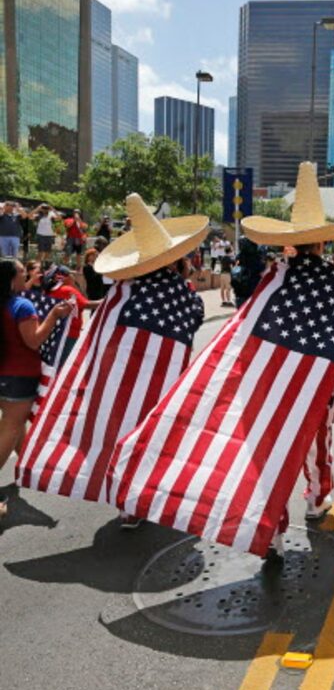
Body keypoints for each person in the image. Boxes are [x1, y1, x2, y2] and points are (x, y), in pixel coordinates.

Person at [108, 163, 334, 561]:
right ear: (325, 244)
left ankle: (274, 533)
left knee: (271, 449)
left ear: (290, 244)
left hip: (269, 379)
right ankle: (317, 500)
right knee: (315, 441)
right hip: (318, 379)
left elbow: (245, 326)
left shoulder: (275, 277)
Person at [17, 193, 208, 527]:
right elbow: (193, 324)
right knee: (155, 436)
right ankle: (141, 497)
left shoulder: (122, 293)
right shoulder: (186, 296)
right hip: (167, 383)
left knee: (123, 430)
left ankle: (125, 500)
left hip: (122, 382)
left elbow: (99, 339)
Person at [0, 259, 72, 515]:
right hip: (20, 376)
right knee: (11, 427)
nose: (28, 275)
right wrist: (53, 315)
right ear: (11, 279)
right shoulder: (22, 305)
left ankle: (30, 465)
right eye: (22, 272)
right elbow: (34, 341)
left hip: (5, 373)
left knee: (14, 424)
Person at [43, 265, 100, 365]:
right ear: (67, 277)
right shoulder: (67, 290)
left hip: (55, 333)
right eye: (71, 274)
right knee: (64, 365)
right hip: (69, 334)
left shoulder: (52, 290)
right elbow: (86, 304)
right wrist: (109, 299)